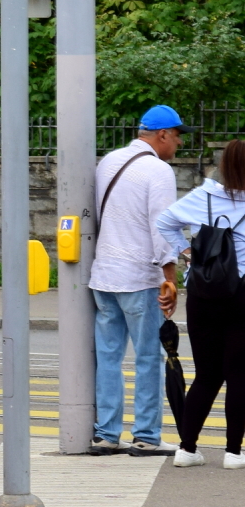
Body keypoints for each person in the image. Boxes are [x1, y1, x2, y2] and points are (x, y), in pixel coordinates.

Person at [88, 105, 188, 457]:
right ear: (162, 135)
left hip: (104, 276)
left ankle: (106, 434)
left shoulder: (108, 162)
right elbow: (162, 226)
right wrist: (170, 277)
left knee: (108, 357)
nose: (178, 143)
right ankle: (146, 435)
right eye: (177, 135)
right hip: (140, 276)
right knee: (147, 357)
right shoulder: (158, 171)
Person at [156, 139, 245, 470]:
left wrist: (187, 252)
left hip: (203, 293)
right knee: (239, 375)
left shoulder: (203, 197)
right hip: (241, 294)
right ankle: (234, 453)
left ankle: (187, 448)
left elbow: (165, 221)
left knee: (207, 374)